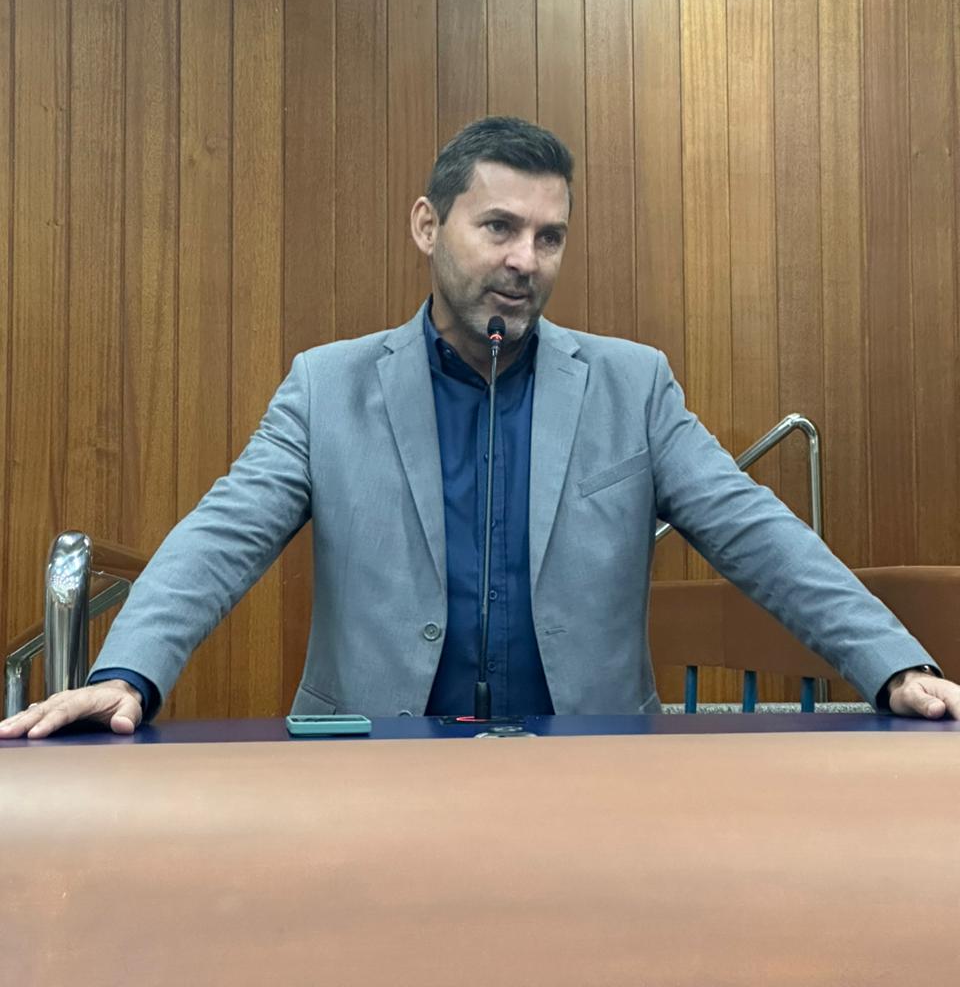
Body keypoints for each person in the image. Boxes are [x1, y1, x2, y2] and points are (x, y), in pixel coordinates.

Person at [2, 115, 958, 739]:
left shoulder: (633, 384)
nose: (525, 260)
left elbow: (756, 531)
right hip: (373, 769)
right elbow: (223, 534)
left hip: (594, 770)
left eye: (549, 237)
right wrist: (129, 671)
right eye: (498, 227)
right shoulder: (327, 387)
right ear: (429, 225)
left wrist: (893, 666)